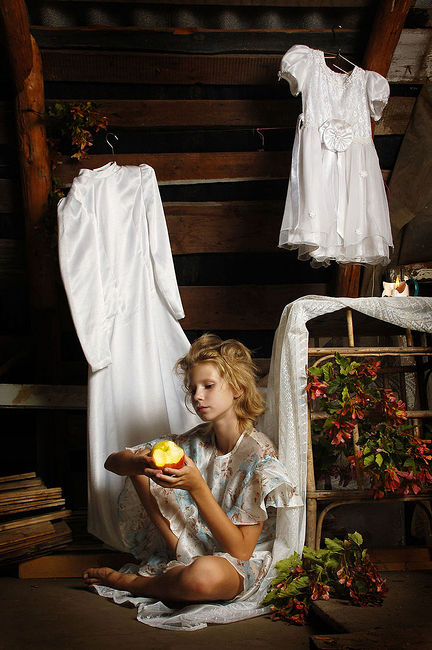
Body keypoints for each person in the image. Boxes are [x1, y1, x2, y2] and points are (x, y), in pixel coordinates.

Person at [83, 334, 300, 609]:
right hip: (192, 548)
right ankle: (178, 571)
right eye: (193, 388)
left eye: (208, 386)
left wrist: (197, 487)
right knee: (142, 466)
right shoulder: (194, 441)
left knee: (203, 577)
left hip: (237, 564)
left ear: (237, 388)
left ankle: (132, 583)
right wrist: (141, 464)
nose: (197, 396)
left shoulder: (258, 454)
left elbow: (241, 552)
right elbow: (113, 462)